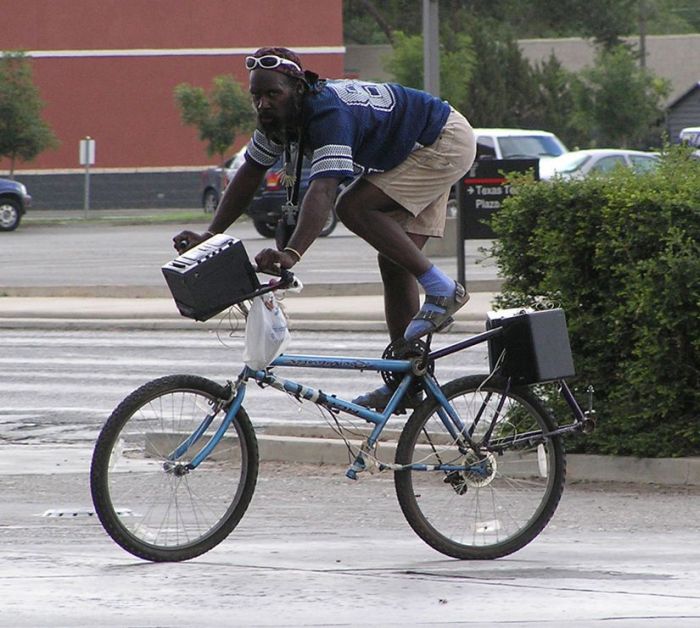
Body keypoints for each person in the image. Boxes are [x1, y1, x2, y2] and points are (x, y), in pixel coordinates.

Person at [174, 47, 477, 411]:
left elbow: (324, 188)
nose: (263, 104)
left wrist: (291, 253)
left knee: (352, 206)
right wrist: (212, 235)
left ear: (298, 88)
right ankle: (407, 386)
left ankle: (443, 290)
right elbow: (249, 174)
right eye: (256, 95)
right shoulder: (280, 121)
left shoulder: (328, 113)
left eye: (273, 94)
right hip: (412, 149)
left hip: (441, 141)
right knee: (395, 262)